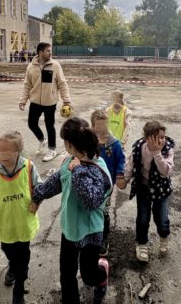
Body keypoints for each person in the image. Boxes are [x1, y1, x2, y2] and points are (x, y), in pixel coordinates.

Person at [31, 118, 112, 304]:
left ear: (69, 144)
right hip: (70, 228)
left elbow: (91, 200)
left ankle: (101, 274)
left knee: (88, 275)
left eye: (64, 141)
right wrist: (38, 196)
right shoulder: (69, 161)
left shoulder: (98, 169)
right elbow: (57, 181)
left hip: (91, 231)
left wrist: (78, 171)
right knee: (67, 275)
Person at [0, 131, 41, 304]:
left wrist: (36, 200)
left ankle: (19, 289)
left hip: (24, 223)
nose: (2, 156)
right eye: (0, 152)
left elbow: (39, 186)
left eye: (7, 152)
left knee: (23, 255)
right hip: (6, 225)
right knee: (8, 250)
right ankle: (12, 266)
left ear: (18, 152)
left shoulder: (28, 167)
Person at [117, 121, 175, 263]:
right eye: (157, 138)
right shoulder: (139, 147)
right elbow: (131, 165)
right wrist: (125, 179)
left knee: (162, 218)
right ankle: (142, 243)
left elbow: (166, 171)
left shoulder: (167, 149)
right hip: (143, 188)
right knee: (142, 218)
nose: (161, 140)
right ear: (147, 138)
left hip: (161, 190)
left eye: (163, 137)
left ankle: (163, 238)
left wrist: (157, 154)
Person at [19, 42, 72, 162]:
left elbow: (62, 84)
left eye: (50, 50)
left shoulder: (55, 66)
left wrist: (66, 100)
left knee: (49, 126)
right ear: (40, 52)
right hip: (35, 102)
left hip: (50, 102)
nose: (50, 53)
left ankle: (52, 149)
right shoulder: (31, 67)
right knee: (31, 124)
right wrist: (23, 100)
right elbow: (27, 85)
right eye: (48, 51)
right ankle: (43, 141)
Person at [90, 109, 126, 257]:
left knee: (103, 211)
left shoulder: (114, 144)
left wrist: (119, 175)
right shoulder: (88, 142)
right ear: (92, 127)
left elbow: (121, 160)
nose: (101, 129)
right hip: (90, 183)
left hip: (107, 185)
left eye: (103, 125)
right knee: (90, 209)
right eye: (97, 126)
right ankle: (89, 234)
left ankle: (104, 238)